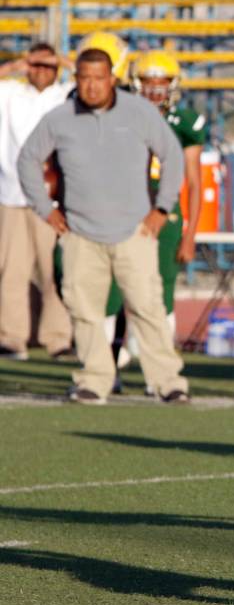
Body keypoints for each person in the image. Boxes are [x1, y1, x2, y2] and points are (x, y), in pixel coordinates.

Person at [16, 48, 189, 405]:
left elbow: (172, 155)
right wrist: (45, 210)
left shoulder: (139, 112)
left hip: (134, 232)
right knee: (85, 312)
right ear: (76, 79)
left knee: (148, 308)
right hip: (80, 233)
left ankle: (168, 382)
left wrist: (162, 207)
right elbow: (27, 160)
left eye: (99, 78)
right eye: (84, 78)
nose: (92, 86)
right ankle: (95, 380)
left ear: (112, 79)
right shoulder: (59, 118)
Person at [105, 51, 208, 393]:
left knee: (161, 292)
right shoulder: (119, 115)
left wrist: (190, 235)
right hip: (123, 209)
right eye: (148, 83)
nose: (154, 90)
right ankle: (107, 367)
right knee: (113, 291)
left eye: (161, 83)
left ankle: (160, 374)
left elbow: (194, 182)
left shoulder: (184, 122)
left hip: (164, 212)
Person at [0, 42, 73, 361]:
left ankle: (58, 338)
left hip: (51, 197)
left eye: (47, 66)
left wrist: (61, 60)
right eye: (36, 65)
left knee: (53, 270)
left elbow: (97, 81)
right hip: (12, 194)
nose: (41, 71)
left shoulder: (65, 95)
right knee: (11, 271)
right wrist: (18, 64)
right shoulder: (11, 93)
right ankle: (11, 337)